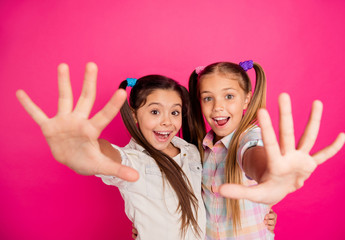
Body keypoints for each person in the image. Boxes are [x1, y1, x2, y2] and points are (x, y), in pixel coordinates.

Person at [16, 62, 206, 240]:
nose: (167, 121)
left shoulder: (191, 151)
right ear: (134, 116)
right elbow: (113, 156)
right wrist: (88, 147)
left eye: (174, 112)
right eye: (155, 112)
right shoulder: (134, 160)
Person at [187, 60, 345, 239]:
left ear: (247, 98)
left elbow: (253, 154)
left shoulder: (249, 138)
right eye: (208, 98)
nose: (217, 107)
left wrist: (267, 173)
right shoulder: (204, 148)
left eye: (229, 96)